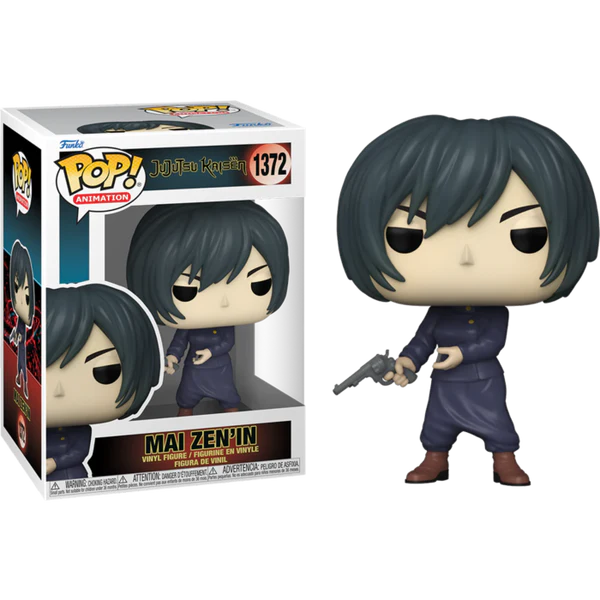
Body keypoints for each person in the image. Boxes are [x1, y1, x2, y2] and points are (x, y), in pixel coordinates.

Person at [337, 115, 600, 486]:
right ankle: (434, 461)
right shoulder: (439, 311)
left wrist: (463, 353)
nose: (465, 258)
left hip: (482, 379)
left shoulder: (494, 312)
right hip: (445, 383)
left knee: (496, 421)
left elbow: (492, 341)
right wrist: (407, 362)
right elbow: (424, 338)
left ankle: (505, 461)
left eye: (527, 236)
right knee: (436, 424)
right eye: (406, 236)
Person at [127, 201, 290, 416]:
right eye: (186, 291)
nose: (224, 302)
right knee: (186, 399)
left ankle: (233, 422)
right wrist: (172, 358)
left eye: (259, 285)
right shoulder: (190, 326)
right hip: (194, 369)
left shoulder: (225, 325)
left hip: (220, 368)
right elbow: (179, 342)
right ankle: (184, 423)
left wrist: (210, 352)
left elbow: (227, 341)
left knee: (229, 397)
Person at [46, 284, 162, 481]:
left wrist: (56, 463)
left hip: (71, 476)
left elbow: (79, 452)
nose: (58, 390)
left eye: (105, 372)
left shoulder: (81, 430)